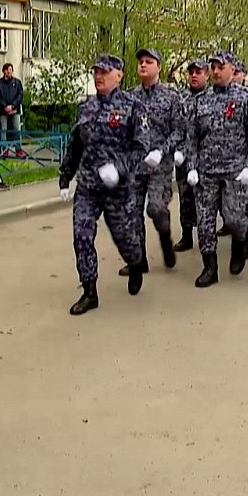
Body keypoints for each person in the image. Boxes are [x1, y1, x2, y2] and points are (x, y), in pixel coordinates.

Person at [59, 54, 148, 315]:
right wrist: (65, 176)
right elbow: (75, 144)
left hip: (118, 189)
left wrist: (119, 170)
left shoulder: (133, 106)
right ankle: (89, 291)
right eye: (96, 72)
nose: (99, 76)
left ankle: (136, 262)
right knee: (82, 235)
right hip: (88, 185)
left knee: (124, 237)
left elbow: (141, 147)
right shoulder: (85, 107)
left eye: (105, 72)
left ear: (119, 75)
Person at [183, 50, 248, 288]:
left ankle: (239, 245)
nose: (216, 71)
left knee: (235, 219)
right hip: (206, 172)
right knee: (205, 222)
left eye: (221, 67)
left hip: (235, 172)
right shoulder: (201, 100)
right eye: (213, 67)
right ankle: (210, 267)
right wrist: (192, 167)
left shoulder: (245, 98)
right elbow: (192, 138)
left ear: (232, 69)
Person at [120, 48, 182, 276]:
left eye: (149, 61)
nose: (143, 65)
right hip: (136, 165)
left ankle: (165, 238)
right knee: (132, 212)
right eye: (141, 62)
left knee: (155, 208)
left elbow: (179, 131)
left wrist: (161, 151)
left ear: (159, 67)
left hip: (159, 166)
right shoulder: (129, 97)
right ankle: (138, 261)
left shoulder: (171, 96)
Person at [173, 59, 210, 252]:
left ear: (207, 75)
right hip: (185, 157)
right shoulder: (181, 98)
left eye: (198, 72)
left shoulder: (213, 98)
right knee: (185, 197)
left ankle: (208, 238)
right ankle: (186, 235)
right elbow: (175, 127)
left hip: (207, 158)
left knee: (207, 199)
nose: (194, 75)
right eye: (191, 72)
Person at [0, 63, 25, 157]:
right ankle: (4, 150)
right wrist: (5, 106)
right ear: (4, 71)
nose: (9, 72)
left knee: (17, 129)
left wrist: (13, 106)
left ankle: (18, 149)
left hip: (15, 110)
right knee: (3, 130)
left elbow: (20, 95)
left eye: (10, 69)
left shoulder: (17, 82)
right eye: (7, 70)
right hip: (3, 111)